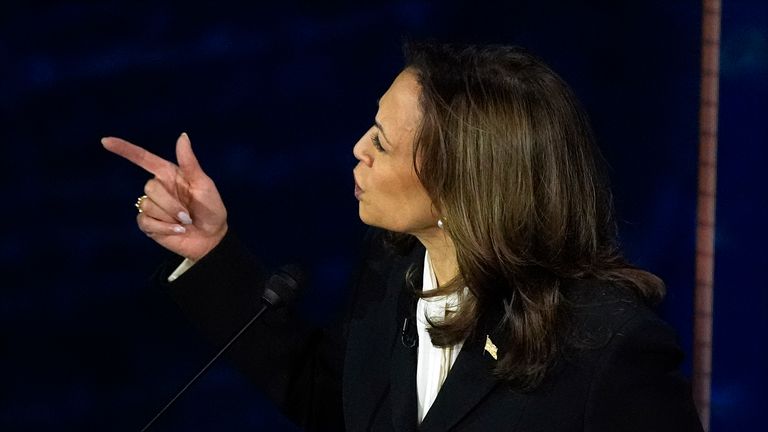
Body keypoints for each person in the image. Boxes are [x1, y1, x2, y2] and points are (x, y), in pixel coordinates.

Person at [104, 42, 704, 431]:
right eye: (373, 127)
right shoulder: (395, 272)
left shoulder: (609, 345)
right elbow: (334, 403)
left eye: (383, 142)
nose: (358, 150)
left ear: (464, 182)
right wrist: (210, 253)